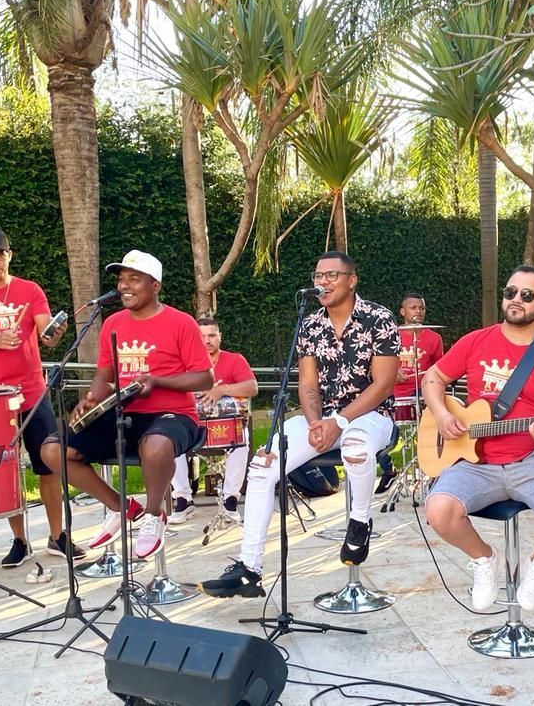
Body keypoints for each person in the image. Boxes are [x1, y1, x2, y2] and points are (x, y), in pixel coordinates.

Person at [199, 250, 399, 598]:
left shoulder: (378, 318)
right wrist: (314, 423)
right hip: (323, 417)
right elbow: (307, 383)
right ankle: (249, 568)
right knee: (262, 466)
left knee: (355, 447)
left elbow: (383, 384)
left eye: (331, 275)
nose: (322, 282)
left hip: (371, 415)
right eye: (318, 276)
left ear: (352, 281)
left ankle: (360, 520)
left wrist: (339, 420)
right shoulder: (310, 324)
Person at [421, 265, 534, 612]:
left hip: (531, 459)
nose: (516, 300)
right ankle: (484, 559)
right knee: (438, 510)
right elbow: (433, 378)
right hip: (475, 463)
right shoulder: (476, 340)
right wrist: (443, 414)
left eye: (527, 295)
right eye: (511, 292)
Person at [40, 250, 212, 561]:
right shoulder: (113, 323)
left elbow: (205, 378)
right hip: (123, 415)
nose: (124, 286)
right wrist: (91, 400)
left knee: (155, 445)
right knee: (53, 450)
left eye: (134, 279)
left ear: (155, 285)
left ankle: (153, 514)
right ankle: (120, 507)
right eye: (121, 280)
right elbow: (105, 375)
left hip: (174, 417)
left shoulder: (180, 322)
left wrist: (157, 381)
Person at [0, 226, 80, 568]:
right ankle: (20, 540)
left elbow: (45, 332)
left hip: (33, 392)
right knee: (6, 470)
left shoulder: (29, 289)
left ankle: (57, 536)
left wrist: (53, 333)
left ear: (10, 255)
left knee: (49, 464)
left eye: (0, 254)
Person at [169, 317, 258, 524]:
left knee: (241, 439)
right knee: (169, 439)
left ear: (220, 337)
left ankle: (230, 500)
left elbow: (252, 387)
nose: (207, 340)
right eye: (201, 336)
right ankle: (183, 499)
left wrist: (221, 390)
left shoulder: (234, 359)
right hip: (192, 425)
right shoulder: (182, 362)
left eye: (211, 335)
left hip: (224, 426)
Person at [377, 293, 444, 492]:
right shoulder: (391, 336)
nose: (418, 312)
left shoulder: (434, 338)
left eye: (421, 308)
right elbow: (375, 365)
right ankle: (389, 470)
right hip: (392, 395)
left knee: (436, 430)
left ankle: (434, 473)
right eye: (413, 308)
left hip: (421, 395)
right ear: (402, 311)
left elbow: (440, 370)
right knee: (380, 435)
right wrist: (390, 372)